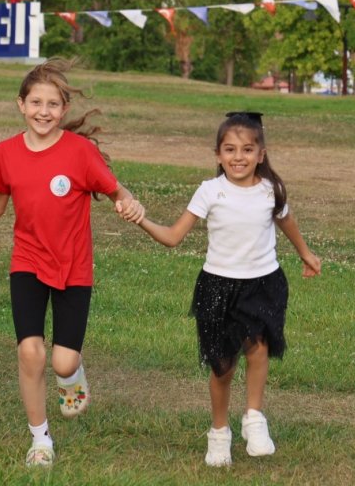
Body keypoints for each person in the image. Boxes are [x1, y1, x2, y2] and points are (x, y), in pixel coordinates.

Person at [0, 59, 144, 468]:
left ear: (64, 108)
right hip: (28, 262)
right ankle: (41, 440)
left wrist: (129, 203)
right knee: (31, 353)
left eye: (53, 104)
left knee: (62, 360)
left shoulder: (81, 153)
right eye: (35, 102)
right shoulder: (5, 153)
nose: (43, 111)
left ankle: (72, 376)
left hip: (74, 267)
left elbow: (116, 190)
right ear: (20, 104)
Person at [129, 112, 321, 468]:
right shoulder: (210, 191)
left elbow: (286, 220)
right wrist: (141, 219)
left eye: (247, 149)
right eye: (230, 149)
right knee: (222, 366)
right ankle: (219, 433)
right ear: (217, 154)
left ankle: (254, 418)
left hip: (264, 283)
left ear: (261, 154)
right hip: (217, 287)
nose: (238, 157)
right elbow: (173, 237)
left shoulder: (269, 190)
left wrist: (306, 254)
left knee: (259, 347)